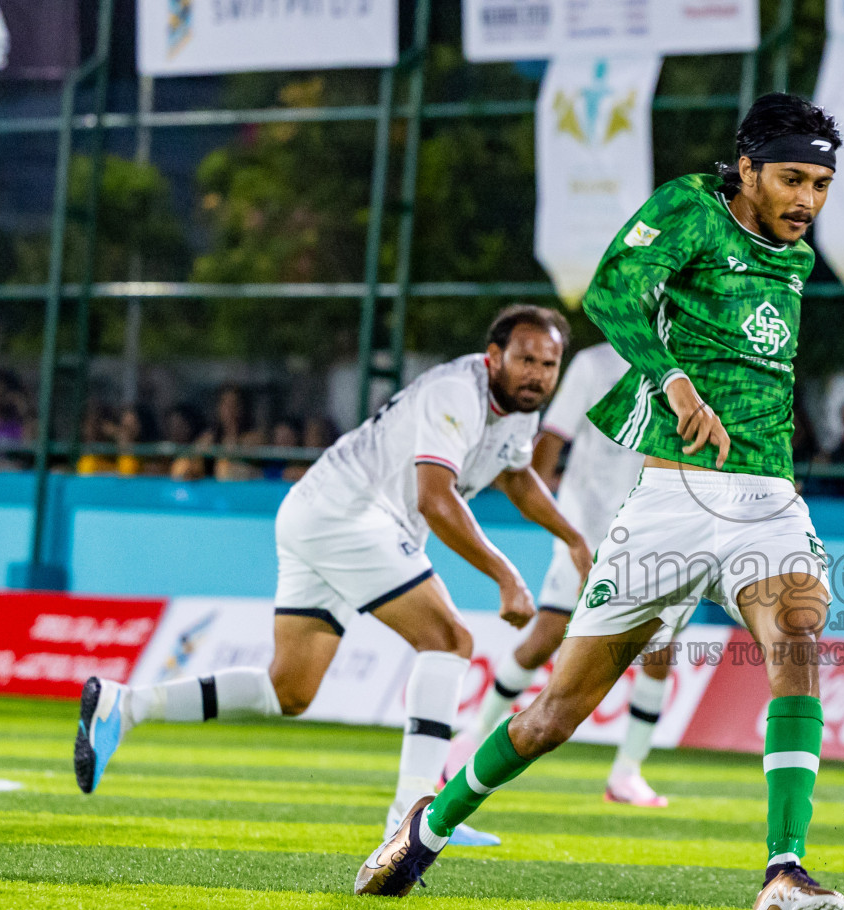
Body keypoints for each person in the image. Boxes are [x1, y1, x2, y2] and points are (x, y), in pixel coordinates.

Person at [355, 92, 844, 910]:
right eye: (792, 179)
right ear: (749, 170)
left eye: (821, 184)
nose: (807, 200)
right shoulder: (690, 210)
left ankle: (782, 871)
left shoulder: (795, 258)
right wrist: (676, 380)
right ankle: (425, 829)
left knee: (799, 633)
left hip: (767, 494)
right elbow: (614, 294)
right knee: (554, 716)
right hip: (668, 499)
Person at [73, 305, 589, 852]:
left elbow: (515, 473)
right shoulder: (456, 392)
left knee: (288, 689)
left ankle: (125, 706)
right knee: (449, 640)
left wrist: (574, 537)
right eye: (526, 359)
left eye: (549, 364)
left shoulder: (518, 410)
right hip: (349, 514)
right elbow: (435, 499)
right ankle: (414, 815)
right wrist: (505, 575)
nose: (537, 373)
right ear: (494, 358)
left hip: (320, 515)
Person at [445, 340, 689, 808]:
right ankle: (473, 734)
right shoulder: (595, 363)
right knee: (546, 637)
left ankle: (627, 773)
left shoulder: (691, 355)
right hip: (588, 528)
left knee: (659, 651)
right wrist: (545, 511)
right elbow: (552, 438)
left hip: (658, 534)